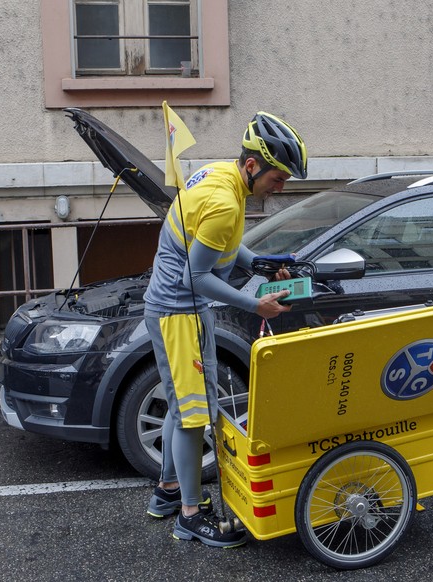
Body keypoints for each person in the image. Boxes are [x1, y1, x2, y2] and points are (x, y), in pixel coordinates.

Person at [143, 111, 308, 548]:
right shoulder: (224, 201)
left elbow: (224, 242)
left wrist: (258, 263)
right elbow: (194, 278)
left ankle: (167, 492)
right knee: (194, 415)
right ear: (253, 166)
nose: (281, 187)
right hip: (179, 312)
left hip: (185, 311)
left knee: (184, 407)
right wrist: (257, 305)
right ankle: (190, 516)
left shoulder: (221, 176)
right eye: (278, 178)